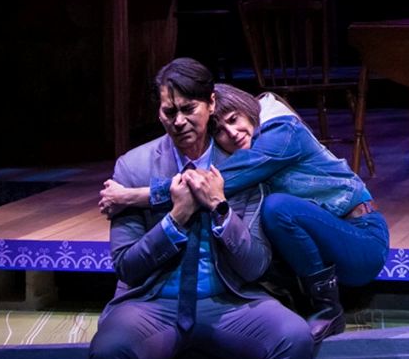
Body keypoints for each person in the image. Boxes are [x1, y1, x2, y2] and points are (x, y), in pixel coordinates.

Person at [88, 58, 313, 359]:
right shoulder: (133, 166)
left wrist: (221, 210)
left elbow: (254, 265)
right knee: (108, 351)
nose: (178, 121)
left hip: (226, 302)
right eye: (168, 111)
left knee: (294, 337)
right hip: (154, 305)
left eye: (188, 108)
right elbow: (126, 265)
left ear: (211, 104)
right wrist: (174, 219)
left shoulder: (242, 165)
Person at [101, 83, 389, 341]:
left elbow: (211, 184)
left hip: (361, 240)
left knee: (277, 209)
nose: (232, 133)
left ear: (248, 109)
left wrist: (132, 196)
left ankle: (328, 309)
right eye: (220, 131)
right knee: (254, 231)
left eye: (233, 119)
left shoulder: (282, 132)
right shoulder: (249, 148)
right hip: (324, 247)